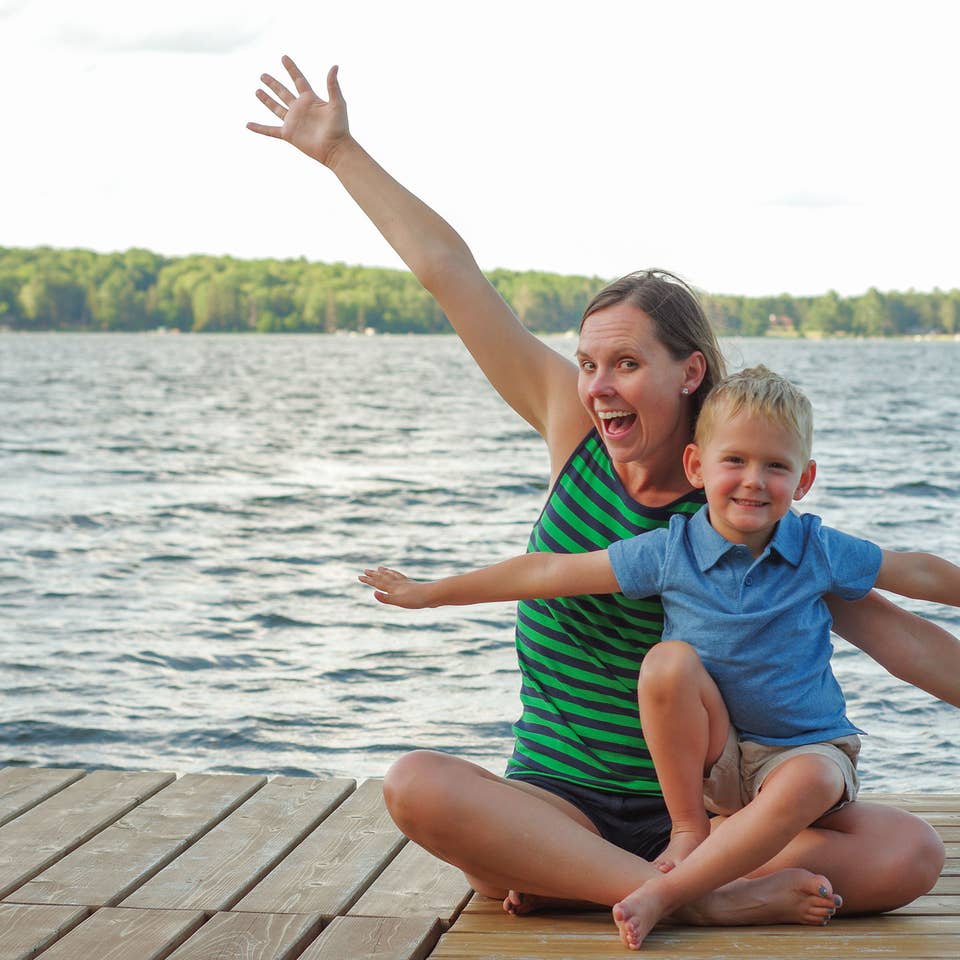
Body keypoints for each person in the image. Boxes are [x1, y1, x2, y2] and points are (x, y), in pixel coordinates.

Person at [247, 55, 957, 942]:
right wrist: (341, 152)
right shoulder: (572, 432)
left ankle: (628, 884)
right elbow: (449, 274)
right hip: (554, 798)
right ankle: (701, 895)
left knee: (907, 852)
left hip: (701, 815)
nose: (597, 385)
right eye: (588, 364)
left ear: (686, 371)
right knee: (419, 786)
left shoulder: (744, 507)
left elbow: (901, 637)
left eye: (625, 363)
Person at [359, 364, 960, 948]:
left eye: (775, 466)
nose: (753, 480)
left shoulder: (818, 549)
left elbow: (914, 570)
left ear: (803, 481)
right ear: (697, 466)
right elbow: (547, 569)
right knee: (665, 663)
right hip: (713, 770)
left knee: (885, 834)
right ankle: (697, 881)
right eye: (735, 461)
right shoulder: (670, 551)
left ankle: (613, 886)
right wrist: (430, 593)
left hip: (798, 758)